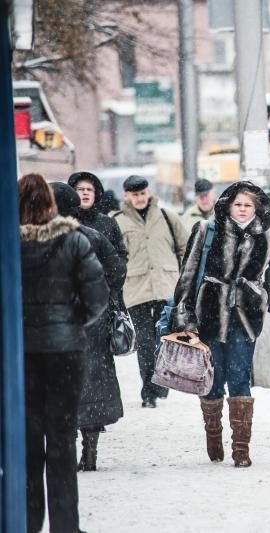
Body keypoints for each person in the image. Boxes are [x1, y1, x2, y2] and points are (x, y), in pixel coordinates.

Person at [172, 181, 270, 467]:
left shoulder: (268, 234)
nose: (242, 209)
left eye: (248, 205)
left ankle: (241, 449)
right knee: (212, 380)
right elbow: (188, 272)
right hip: (209, 313)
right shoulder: (206, 230)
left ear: (257, 208)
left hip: (246, 316)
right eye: (237, 204)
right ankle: (213, 433)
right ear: (227, 205)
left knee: (239, 376)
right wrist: (183, 312)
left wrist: (267, 292)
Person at [19, 173, 108, 533]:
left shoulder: (8, 243)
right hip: (65, 353)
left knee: (26, 441)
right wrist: (72, 322)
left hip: (20, 355)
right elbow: (98, 297)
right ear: (52, 205)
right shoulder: (74, 240)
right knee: (61, 439)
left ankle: (26, 522)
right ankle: (65, 526)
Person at [51, 182, 125, 472]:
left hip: (58, 323)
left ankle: (66, 450)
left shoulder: (42, 239)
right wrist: (98, 301)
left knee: (61, 383)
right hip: (92, 321)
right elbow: (117, 272)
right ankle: (90, 450)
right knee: (92, 381)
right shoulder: (92, 236)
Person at [114, 175, 189, 407]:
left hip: (166, 288)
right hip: (136, 291)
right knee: (145, 342)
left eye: (142, 193)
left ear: (148, 193)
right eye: (134, 194)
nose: (139, 198)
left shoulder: (167, 216)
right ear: (126, 195)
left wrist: (183, 280)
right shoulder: (117, 221)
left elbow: (184, 247)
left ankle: (161, 383)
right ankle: (149, 392)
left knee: (164, 339)